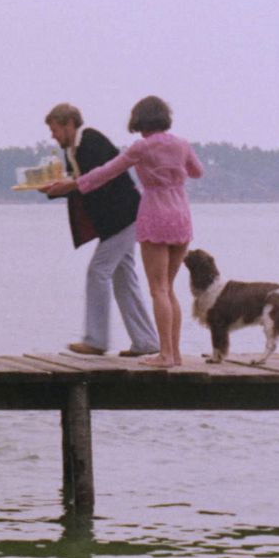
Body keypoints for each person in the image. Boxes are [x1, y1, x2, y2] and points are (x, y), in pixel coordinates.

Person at [46, 96, 204, 368]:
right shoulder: (182, 144)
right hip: (181, 215)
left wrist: (71, 185)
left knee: (157, 289)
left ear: (138, 120)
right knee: (167, 288)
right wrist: (173, 171)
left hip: (154, 214)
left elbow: (105, 172)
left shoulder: (140, 147)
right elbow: (197, 172)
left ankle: (160, 353)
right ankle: (170, 351)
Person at [41, 103, 159, 358]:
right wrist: (54, 189)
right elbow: (81, 184)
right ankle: (146, 342)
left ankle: (96, 340)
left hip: (124, 217)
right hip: (116, 221)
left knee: (98, 272)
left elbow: (97, 179)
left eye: (55, 129)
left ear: (70, 124)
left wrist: (67, 186)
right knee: (124, 280)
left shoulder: (91, 141)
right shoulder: (73, 150)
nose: (53, 135)